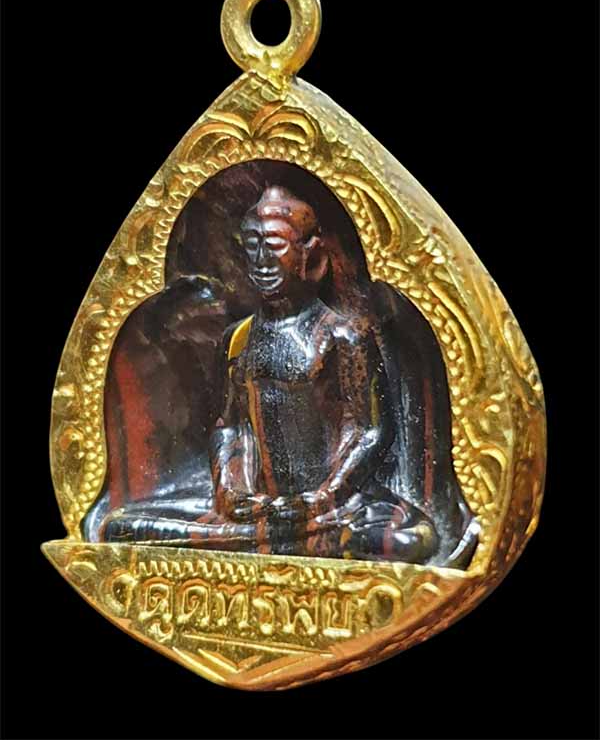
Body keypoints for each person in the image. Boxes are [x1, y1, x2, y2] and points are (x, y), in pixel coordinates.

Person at [101, 183, 477, 566]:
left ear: (312, 256)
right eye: (252, 246)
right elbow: (230, 425)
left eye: (275, 245)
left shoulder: (341, 335)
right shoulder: (238, 338)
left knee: (411, 539)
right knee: (121, 527)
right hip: (256, 510)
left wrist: (324, 497)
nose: (261, 260)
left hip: (332, 509)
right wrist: (231, 491)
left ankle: (271, 542)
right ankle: (271, 540)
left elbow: (368, 431)